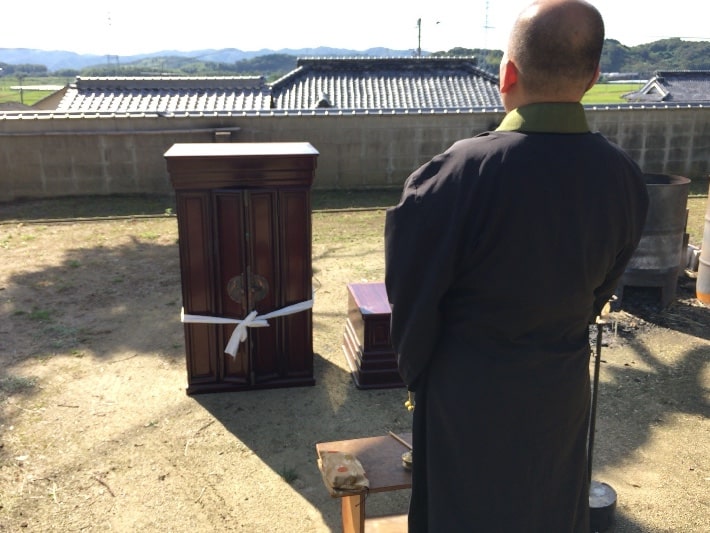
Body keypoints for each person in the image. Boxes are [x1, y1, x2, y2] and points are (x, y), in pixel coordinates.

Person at [384, 1, 649, 531]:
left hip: (467, 392)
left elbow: (411, 303)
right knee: (549, 504)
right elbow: (601, 291)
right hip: (559, 385)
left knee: (463, 513)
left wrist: (419, 377)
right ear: (594, 77)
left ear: (507, 74)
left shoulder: (453, 175)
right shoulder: (624, 177)